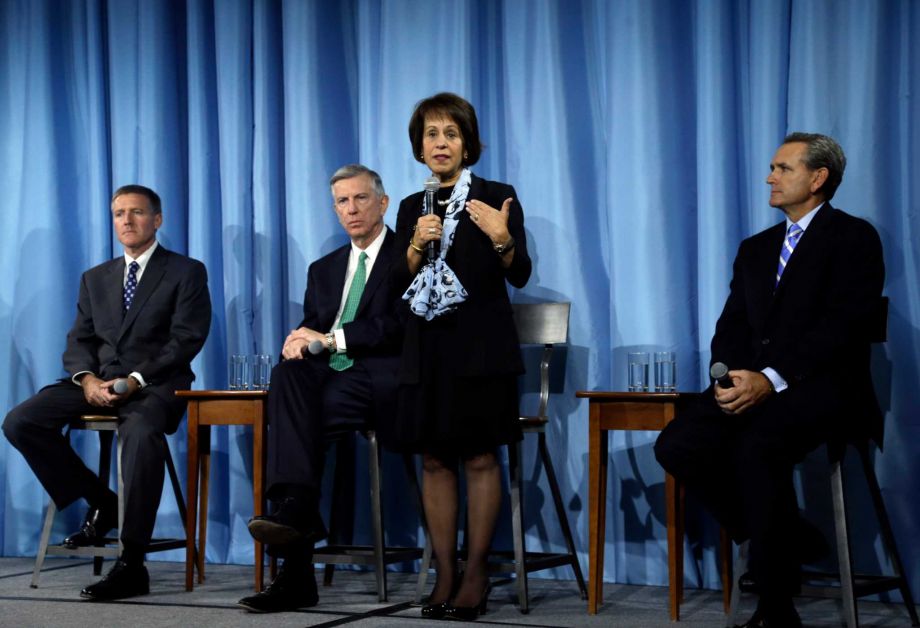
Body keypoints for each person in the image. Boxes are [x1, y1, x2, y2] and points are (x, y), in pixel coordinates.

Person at [654, 133, 885, 628]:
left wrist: (773, 378)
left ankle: (777, 607)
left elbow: (842, 328)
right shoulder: (756, 248)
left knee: (757, 445)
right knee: (677, 443)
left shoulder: (854, 238)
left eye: (782, 168)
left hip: (822, 389)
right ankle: (786, 536)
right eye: (772, 168)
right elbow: (731, 324)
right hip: (754, 387)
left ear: (817, 178)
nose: (769, 177)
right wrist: (729, 378)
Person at [3, 185, 212, 601]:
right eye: (119, 213)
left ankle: (132, 563)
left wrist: (135, 379)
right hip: (97, 383)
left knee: (138, 434)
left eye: (136, 212)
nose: (127, 221)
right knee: (20, 421)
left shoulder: (186, 271)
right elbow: (79, 340)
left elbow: (186, 340)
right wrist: (86, 379)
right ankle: (103, 500)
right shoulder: (95, 277)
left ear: (157, 219)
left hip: (156, 384)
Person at [385, 93, 531, 621]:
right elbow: (394, 287)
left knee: (478, 456)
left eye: (450, 134)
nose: (440, 143)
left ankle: (477, 573)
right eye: (430, 135)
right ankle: (445, 571)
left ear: (468, 143)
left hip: (481, 348)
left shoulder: (497, 195)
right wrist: (412, 247)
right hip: (426, 349)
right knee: (435, 459)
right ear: (419, 147)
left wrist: (501, 239)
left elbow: (519, 274)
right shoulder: (410, 206)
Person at [238, 164, 402, 613]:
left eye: (360, 198)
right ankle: (297, 511)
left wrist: (333, 339)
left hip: (384, 376)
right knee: (287, 375)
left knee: (292, 423)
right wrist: (300, 339)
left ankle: (294, 562)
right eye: (342, 202)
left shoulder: (407, 255)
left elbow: (400, 326)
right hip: (332, 378)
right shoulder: (324, 269)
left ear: (383, 203)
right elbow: (316, 328)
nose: (351, 209)